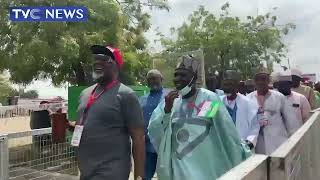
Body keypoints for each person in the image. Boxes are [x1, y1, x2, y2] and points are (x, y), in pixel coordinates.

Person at [148, 55, 251, 180]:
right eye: (176, 75)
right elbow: (155, 130)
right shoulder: (170, 101)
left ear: (194, 78)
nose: (177, 79)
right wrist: (167, 112)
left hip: (206, 168)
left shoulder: (207, 99)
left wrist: (238, 153)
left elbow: (220, 130)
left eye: (183, 75)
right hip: (179, 169)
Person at [74, 45, 145, 180]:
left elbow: (138, 138)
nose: (97, 62)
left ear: (116, 66)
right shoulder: (85, 93)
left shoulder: (126, 95)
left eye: (104, 59)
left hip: (111, 172)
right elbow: (90, 125)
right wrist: (70, 126)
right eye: (95, 59)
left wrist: (139, 177)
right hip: (86, 171)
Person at [247, 66, 291, 155]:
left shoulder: (279, 97)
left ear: (268, 80)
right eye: (257, 79)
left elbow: (290, 121)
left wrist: (292, 141)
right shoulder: (248, 99)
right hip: (257, 144)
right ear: (254, 82)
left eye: (263, 79)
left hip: (278, 142)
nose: (260, 82)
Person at [221, 70, 260, 150]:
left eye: (230, 84)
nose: (227, 87)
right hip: (222, 147)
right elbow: (206, 120)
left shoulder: (249, 103)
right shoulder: (216, 101)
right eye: (225, 84)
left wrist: (250, 141)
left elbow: (255, 126)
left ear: (237, 86)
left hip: (242, 147)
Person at [139, 69, 167, 180]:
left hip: (164, 146)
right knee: (145, 176)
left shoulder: (170, 96)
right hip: (147, 147)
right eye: (149, 79)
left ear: (162, 79)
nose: (152, 81)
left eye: (155, 78)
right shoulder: (141, 100)